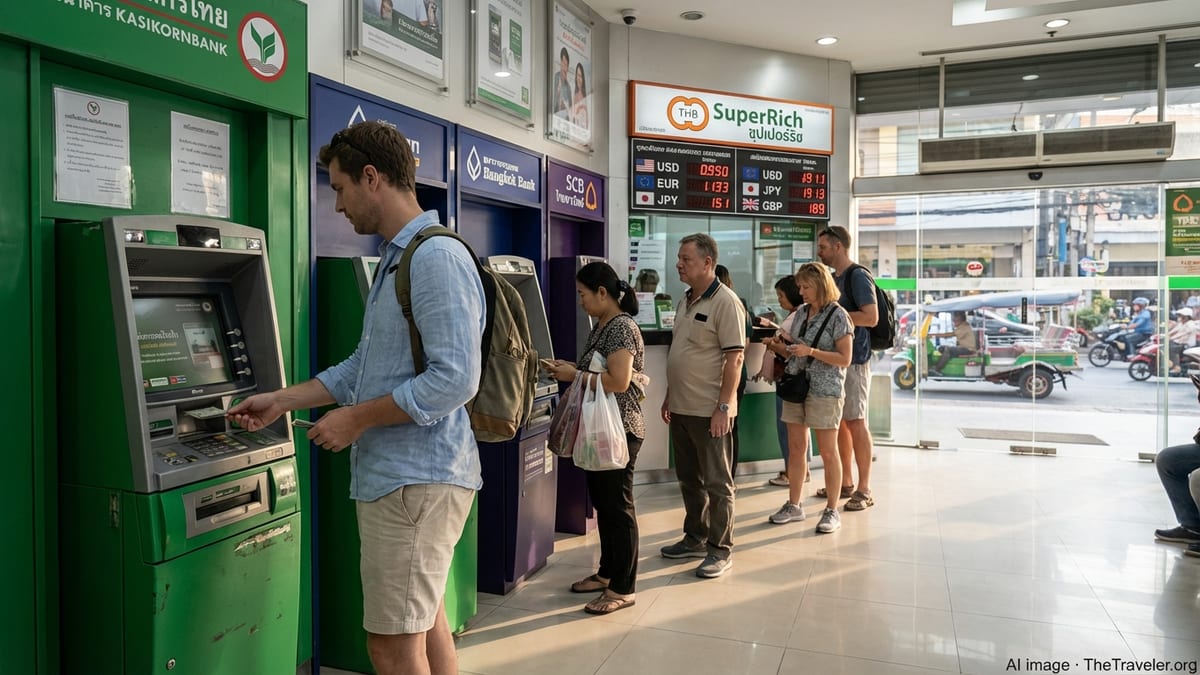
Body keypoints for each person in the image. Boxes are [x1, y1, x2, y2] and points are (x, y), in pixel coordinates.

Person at [227, 121, 484, 675]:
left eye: (340, 188)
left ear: (372, 177)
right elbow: (361, 370)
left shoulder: (433, 258)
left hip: (414, 482)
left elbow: (456, 379)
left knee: (391, 648)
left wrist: (356, 422)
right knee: (428, 623)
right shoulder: (399, 258)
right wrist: (282, 400)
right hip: (406, 480)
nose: (338, 205)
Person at [543, 262, 646, 615]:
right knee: (604, 505)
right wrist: (569, 368)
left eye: (583, 294)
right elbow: (596, 371)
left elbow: (618, 381)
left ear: (603, 293)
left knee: (618, 508)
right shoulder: (601, 325)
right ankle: (607, 572)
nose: (580, 301)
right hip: (601, 429)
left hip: (620, 429)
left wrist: (576, 375)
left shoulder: (622, 327)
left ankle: (624, 587)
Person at [659, 233, 745, 579]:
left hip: (711, 411)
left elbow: (735, 358)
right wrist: (669, 394)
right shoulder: (685, 300)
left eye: (686, 259)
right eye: (679, 258)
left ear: (707, 263)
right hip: (681, 407)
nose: (679, 264)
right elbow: (682, 352)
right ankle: (694, 537)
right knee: (688, 479)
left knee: (717, 482)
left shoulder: (726, 302)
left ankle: (720, 549)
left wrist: (723, 407)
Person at [763, 262, 854, 533]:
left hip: (825, 391)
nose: (800, 291)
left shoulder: (839, 316)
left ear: (821, 285)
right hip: (796, 387)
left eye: (805, 286)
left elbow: (845, 359)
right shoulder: (802, 313)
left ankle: (831, 510)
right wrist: (781, 344)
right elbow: (796, 351)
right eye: (800, 286)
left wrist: (810, 351)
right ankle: (794, 505)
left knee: (828, 451)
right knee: (796, 448)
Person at [816, 225, 878, 512]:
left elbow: (871, 317)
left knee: (856, 421)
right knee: (839, 422)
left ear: (838, 246)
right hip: (836, 360)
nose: (820, 252)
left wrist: (835, 316)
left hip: (855, 360)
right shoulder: (833, 278)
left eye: (824, 247)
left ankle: (865, 488)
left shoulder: (858, 276)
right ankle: (846, 482)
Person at [756, 276, 802, 487]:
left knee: (788, 431)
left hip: (788, 380)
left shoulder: (795, 318)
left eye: (781, 296)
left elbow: (789, 351)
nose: (780, 300)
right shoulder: (796, 316)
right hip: (788, 380)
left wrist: (772, 344)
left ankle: (793, 473)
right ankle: (797, 470)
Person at [715, 264, 751, 477]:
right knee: (728, 426)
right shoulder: (742, 306)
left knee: (727, 425)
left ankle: (728, 475)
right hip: (731, 374)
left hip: (731, 375)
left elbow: (741, 348)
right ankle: (727, 474)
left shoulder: (734, 305)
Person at [927, 311, 978, 376]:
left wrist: (932, 335)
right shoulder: (962, 326)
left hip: (968, 349)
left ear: (960, 319)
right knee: (941, 348)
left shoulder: (964, 327)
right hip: (963, 348)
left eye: (955, 320)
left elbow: (948, 335)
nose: (953, 322)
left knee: (947, 350)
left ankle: (937, 368)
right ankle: (942, 364)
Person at [1166, 307, 1197, 375]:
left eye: (1181, 316)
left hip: (1187, 345)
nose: (1179, 317)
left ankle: (1177, 367)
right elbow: (1175, 330)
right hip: (1180, 342)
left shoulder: (1190, 324)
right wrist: (1166, 335)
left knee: (1172, 349)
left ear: (1186, 317)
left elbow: (1183, 333)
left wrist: (1171, 338)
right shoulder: (1182, 323)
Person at [551, 47, 572, 118]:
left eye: (566, 64)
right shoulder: (556, 77)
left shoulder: (568, 87)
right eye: (562, 62)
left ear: (568, 66)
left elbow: (571, 108)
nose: (563, 66)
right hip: (555, 116)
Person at [571, 63, 589, 129]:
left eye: (580, 76)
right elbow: (573, 117)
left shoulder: (586, 96)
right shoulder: (574, 96)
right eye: (577, 75)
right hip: (576, 131)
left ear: (583, 78)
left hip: (583, 131)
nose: (578, 78)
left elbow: (587, 118)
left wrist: (581, 107)